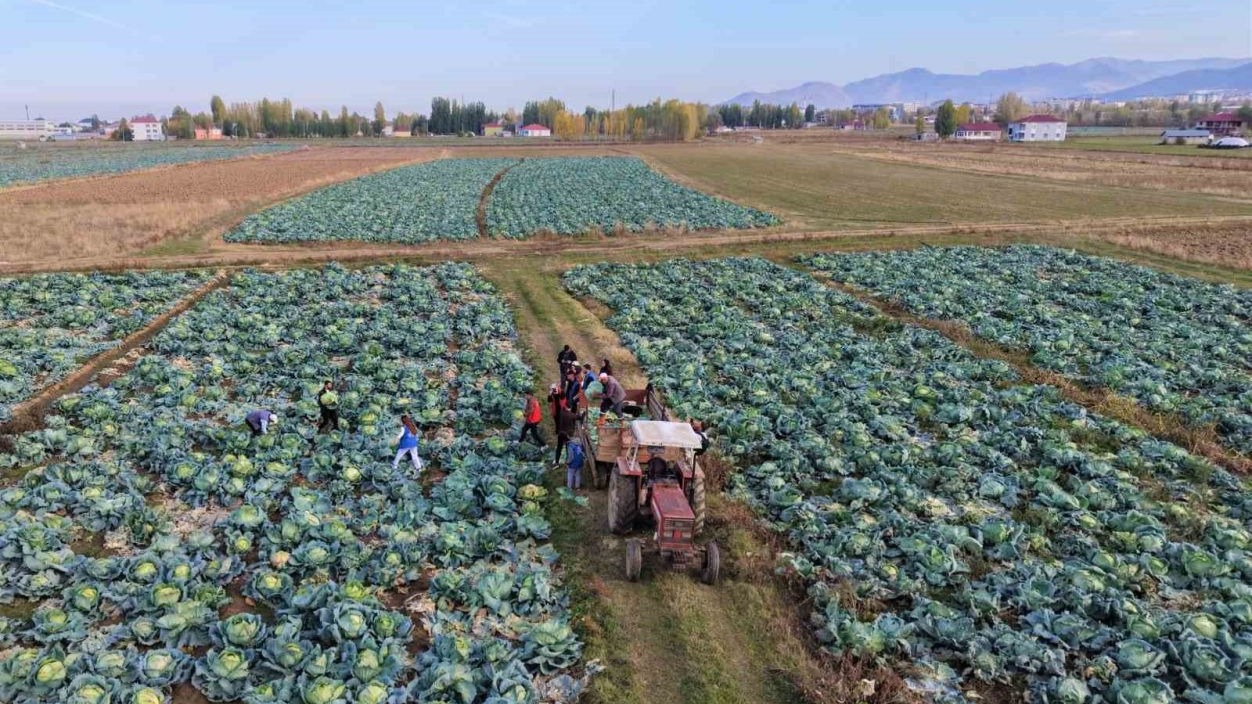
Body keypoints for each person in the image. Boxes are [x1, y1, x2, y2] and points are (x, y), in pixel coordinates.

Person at [555, 401, 577, 466]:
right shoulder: (570, 415)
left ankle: (556, 462)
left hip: (561, 433)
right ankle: (568, 461)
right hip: (567, 434)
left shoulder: (561, 412)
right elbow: (578, 417)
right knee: (568, 447)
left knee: (559, 447)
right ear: (570, 408)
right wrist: (582, 414)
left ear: (565, 406)